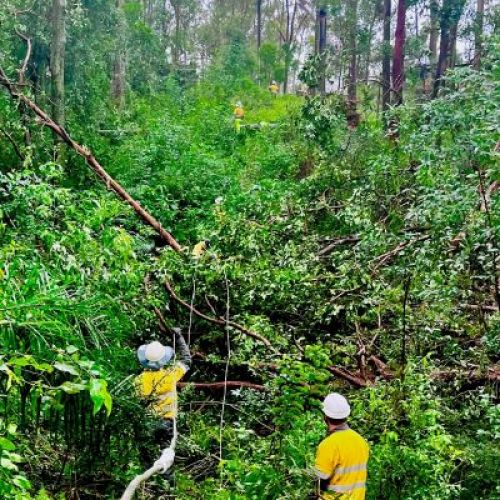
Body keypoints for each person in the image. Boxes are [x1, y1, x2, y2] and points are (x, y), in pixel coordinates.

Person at [135, 329, 191, 468]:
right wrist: (179, 337)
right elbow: (186, 360)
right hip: (166, 421)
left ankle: (148, 481)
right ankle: (167, 482)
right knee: (165, 453)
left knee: (146, 452)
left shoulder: (138, 380)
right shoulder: (170, 375)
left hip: (147, 421)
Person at [314, 393, 369, 499]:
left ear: (325, 416)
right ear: (346, 415)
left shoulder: (328, 444)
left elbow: (319, 483)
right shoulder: (361, 441)